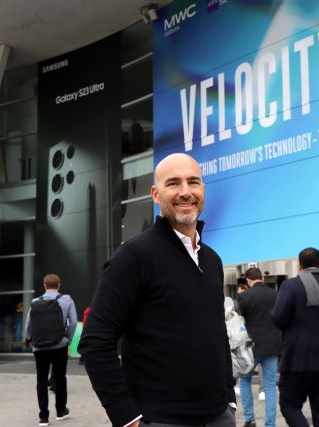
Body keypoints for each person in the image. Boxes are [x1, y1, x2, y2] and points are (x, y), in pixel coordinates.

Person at [79, 153, 236, 427]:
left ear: (203, 189)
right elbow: (95, 341)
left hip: (219, 417)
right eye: (173, 183)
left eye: (193, 182)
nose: (185, 192)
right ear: (155, 194)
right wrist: (127, 417)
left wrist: (229, 400)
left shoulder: (212, 260)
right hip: (161, 420)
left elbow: (218, 333)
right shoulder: (133, 256)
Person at [271, 247, 319, 427]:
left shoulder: (290, 286)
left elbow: (278, 319)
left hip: (298, 358)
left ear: (299, 266)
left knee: (289, 404)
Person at [25, 273, 78, 426]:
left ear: (44, 285)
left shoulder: (35, 302)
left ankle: (43, 417)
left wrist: (32, 341)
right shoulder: (67, 299)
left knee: (41, 380)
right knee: (60, 378)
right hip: (59, 346)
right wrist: (67, 339)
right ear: (59, 285)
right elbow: (73, 322)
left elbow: (28, 324)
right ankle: (61, 411)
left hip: (39, 347)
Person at [237, 268, 282, 427]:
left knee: (244, 381)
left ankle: (250, 420)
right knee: (270, 386)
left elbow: (239, 322)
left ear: (248, 281)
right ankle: (270, 424)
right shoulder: (276, 295)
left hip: (251, 348)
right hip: (273, 346)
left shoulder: (244, 296)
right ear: (262, 278)